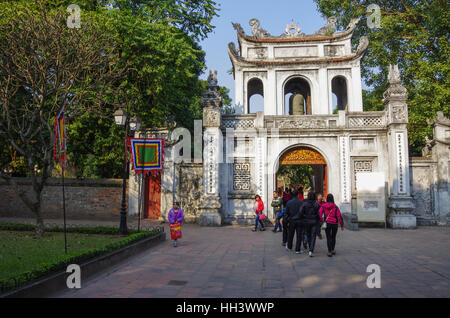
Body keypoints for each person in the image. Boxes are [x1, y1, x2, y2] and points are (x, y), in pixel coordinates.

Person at [299, 191, 321, 257]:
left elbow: (300, 212)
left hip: (306, 221)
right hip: (314, 221)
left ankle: (309, 245)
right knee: (313, 235)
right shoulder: (316, 204)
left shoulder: (305, 204)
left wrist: (304, 216)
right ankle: (311, 250)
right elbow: (319, 213)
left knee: (308, 234)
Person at [284, 189, 305, 254]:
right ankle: (297, 249)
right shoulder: (301, 202)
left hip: (292, 220)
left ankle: (289, 247)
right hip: (299, 220)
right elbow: (303, 212)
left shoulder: (289, 202)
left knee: (291, 234)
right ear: (298, 194)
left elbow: (286, 213)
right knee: (299, 235)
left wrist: (287, 219)